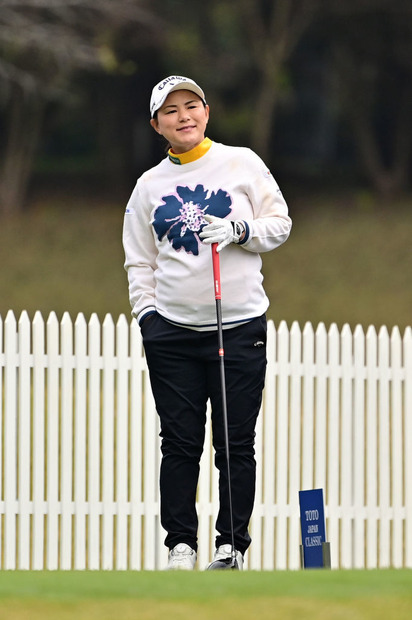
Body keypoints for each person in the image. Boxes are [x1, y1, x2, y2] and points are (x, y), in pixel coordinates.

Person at [122, 75, 292, 570]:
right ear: (157, 125)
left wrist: (240, 230)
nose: (184, 116)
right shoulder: (148, 187)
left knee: (235, 441)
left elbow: (279, 224)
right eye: (171, 111)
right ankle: (180, 544)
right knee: (179, 443)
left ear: (207, 111)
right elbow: (140, 260)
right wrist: (148, 318)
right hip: (172, 333)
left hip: (238, 327)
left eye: (191, 106)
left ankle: (230, 546)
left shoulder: (242, 163)